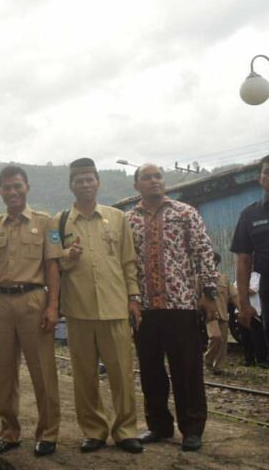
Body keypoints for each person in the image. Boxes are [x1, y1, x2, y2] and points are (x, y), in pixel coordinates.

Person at [0, 165, 61, 458]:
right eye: (7, 187)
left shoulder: (46, 222)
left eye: (17, 186)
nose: (12, 191)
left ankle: (47, 433)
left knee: (42, 370)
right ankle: (9, 431)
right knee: (5, 371)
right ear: (0, 191)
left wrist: (53, 306)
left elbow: (52, 265)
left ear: (27, 187)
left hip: (33, 300)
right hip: (1, 304)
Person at [51, 158, 142, 454]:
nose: (85, 185)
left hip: (115, 308)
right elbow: (53, 262)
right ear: (71, 185)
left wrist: (133, 297)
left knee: (122, 374)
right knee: (84, 375)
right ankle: (94, 430)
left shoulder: (118, 218)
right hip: (78, 311)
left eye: (90, 179)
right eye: (79, 181)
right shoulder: (59, 222)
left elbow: (128, 261)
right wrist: (68, 255)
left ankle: (126, 430)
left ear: (98, 182)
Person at [125, 163, 219, 452]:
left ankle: (192, 428)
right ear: (136, 185)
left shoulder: (184, 212)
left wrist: (209, 293)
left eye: (157, 177)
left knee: (187, 369)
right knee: (151, 371)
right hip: (145, 310)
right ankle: (159, 426)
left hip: (182, 305)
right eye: (147, 178)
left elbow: (203, 251)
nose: (154, 181)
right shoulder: (127, 220)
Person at [232, 155, 269, 348]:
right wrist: (244, 305)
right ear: (260, 178)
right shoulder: (250, 215)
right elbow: (243, 261)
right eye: (267, 172)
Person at [204, 253, 239, 375]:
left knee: (223, 341)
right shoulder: (201, 278)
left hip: (223, 314)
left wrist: (241, 309)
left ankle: (218, 367)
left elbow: (233, 295)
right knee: (216, 337)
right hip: (210, 315)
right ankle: (208, 360)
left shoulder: (224, 278)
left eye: (215, 261)